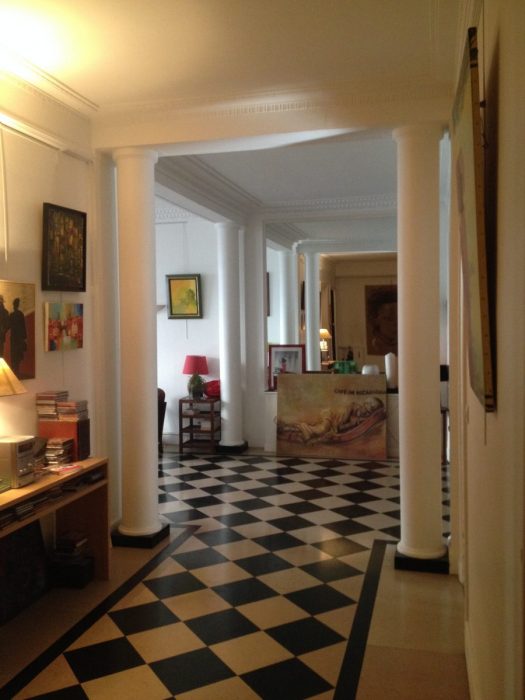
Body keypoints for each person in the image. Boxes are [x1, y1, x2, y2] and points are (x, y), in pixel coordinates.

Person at [9, 298, 27, 377]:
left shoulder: (12, 315)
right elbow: (23, 326)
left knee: (14, 354)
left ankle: (15, 369)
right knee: (18, 354)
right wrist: (24, 337)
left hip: (14, 337)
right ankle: (16, 369)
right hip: (19, 337)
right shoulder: (20, 314)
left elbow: (9, 326)